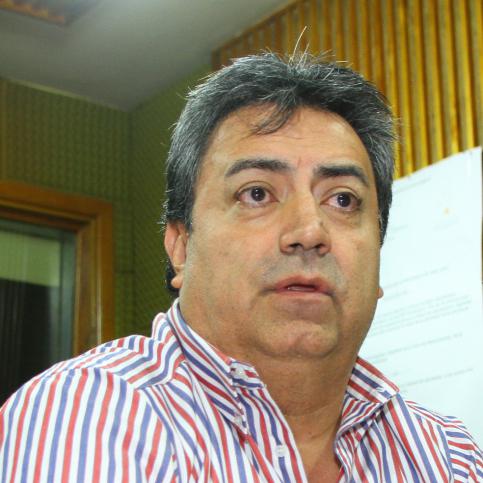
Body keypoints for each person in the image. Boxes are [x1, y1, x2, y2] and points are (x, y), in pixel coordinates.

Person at [1, 53, 482, 482]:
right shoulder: (89, 419)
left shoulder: (448, 456)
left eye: (342, 199)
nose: (309, 230)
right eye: (257, 193)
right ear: (180, 246)